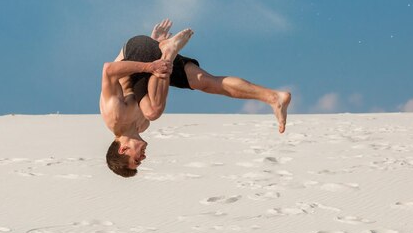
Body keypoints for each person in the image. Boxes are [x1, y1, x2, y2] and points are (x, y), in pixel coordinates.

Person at [100, 19, 291, 177]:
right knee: (206, 82)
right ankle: (275, 98)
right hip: (150, 67)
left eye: (137, 161)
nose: (143, 158)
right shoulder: (141, 126)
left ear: (123, 150)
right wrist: (155, 48)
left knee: (152, 111)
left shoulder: (114, 116)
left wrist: (151, 64)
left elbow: (109, 70)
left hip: (135, 53)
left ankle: (167, 51)